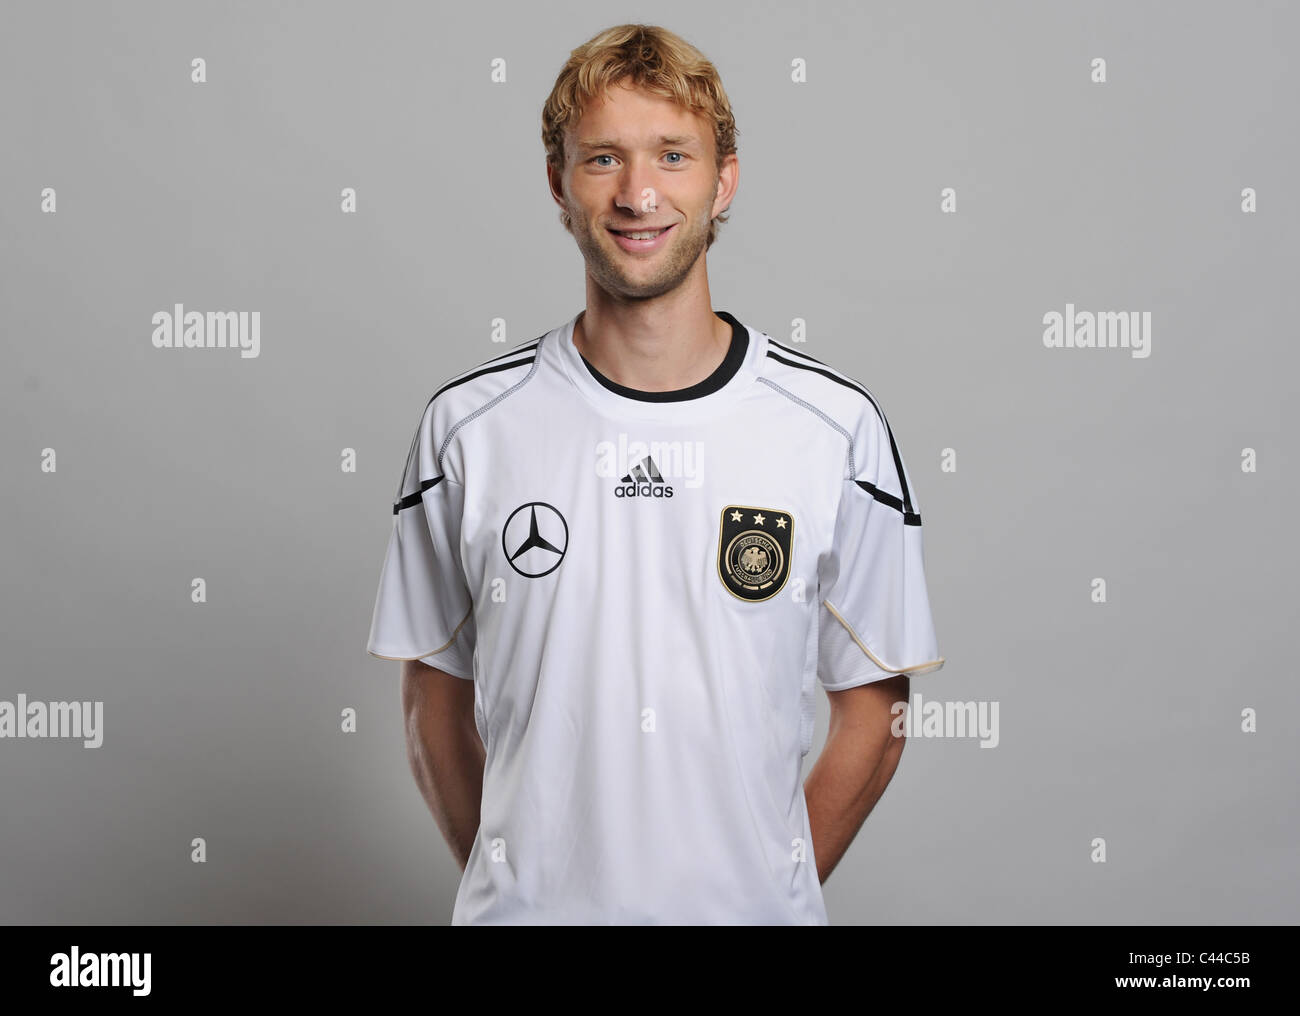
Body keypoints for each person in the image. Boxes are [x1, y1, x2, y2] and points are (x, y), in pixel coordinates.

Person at [366, 23, 945, 925]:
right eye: (603, 158)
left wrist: (767, 893)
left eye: (673, 156)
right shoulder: (468, 432)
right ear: (559, 185)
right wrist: (522, 891)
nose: (639, 194)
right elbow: (429, 704)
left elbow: (876, 715)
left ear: (725, 181)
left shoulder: (835, 432)